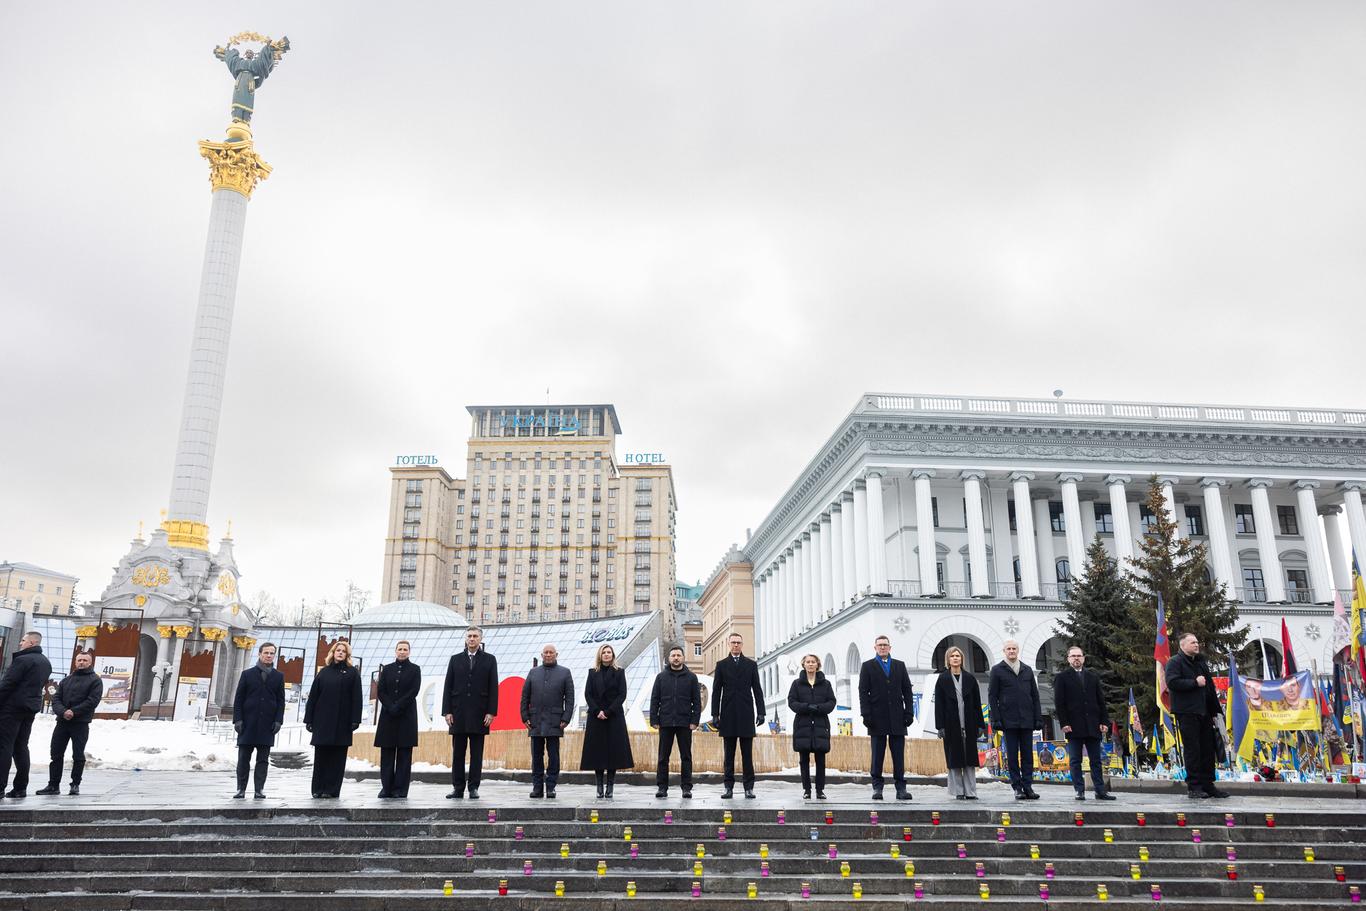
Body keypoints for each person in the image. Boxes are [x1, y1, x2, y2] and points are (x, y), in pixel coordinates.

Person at [1165, 632, 1229, 799]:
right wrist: (1194, 683)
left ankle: (1208, 784)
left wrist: (1215, 711)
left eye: (1197, 641)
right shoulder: (1175, 662)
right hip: (1187, 712)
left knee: (1208, 749)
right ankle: (1194, 786)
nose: (1196, 644)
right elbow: (1172, 682)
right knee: (1193, 750)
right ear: (1183, 645)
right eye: (1193, 642)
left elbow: (1209, 689)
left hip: (1205, 712)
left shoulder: (1200, 663)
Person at [34, 650, 102, 797]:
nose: (81, 662)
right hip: (62, 723)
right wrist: (63, 711)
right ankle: (53, 785)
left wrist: (74, 712)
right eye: (79, 660)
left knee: (78, 755)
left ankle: (75, 784)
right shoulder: (67, 680)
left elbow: (92, 701)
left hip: (80, 723)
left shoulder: (95, 680)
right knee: (56, 754)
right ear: (75, 662)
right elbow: (56, 699)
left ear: (90, 663)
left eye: (85, 660)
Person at [1052, 645, 1114, 801]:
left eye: (1079, 656)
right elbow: (1060, 703)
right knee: (1075, 761)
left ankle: (1100, 790)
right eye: (1073, 656)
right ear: (1068, 659)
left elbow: (1101, 701)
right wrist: (1064, 723)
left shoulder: (1092, 677)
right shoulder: (1062, 678)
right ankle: (1079, 790)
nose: (1076, 659)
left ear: (1083, 658)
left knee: (1096, 760)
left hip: (1093, 724)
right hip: (1073, 726)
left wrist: (1104, 721)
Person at [442, 626, 498, 799]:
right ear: (465, 639)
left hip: (480, 715)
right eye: (469, 636)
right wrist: (447, 711)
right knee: (457, 753)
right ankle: (458, 788)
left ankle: (473, 787)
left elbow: (493, 687)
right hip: (457, 714)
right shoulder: (455, 659)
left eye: (475, 636)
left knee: (476, 754)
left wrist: (491, 712)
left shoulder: (490, 660)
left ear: (480, 639)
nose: (472, 639)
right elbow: (448, 686)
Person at [858, 635, 916, 800]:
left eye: (885, 645)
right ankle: (877, 788)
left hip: (898, 717)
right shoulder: (868, 666)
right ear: (875, 648)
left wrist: (909, 712)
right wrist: (866, 714)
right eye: (879, 645)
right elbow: (863, 692)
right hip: (876, 717)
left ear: (890, 647)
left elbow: (907, 691)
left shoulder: (899, 665)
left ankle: (901, 788)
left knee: (898, 755)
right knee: (877, 755)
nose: (882, 648)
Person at [304, 640, 362, 799]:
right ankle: (318, 788)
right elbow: (313, 697)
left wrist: (355, 719)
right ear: (333, 653)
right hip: (322, 722)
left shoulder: (352, 673)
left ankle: (332, 789)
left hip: (342, 722)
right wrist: (309, 719)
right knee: (321, 756)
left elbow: (357, 698)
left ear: (347, 655)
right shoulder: (323, 672)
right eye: (338, 650)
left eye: (344, 651)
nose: (340, 653)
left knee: (337, 758)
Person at [711, 632, 765, 799]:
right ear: (729, 644)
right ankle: (728, 787)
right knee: (729, 755)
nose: (736, 645)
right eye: (733, 642)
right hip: (727, 714)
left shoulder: (750, 665)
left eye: (738, 643)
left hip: (746, 713)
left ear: (742, 645)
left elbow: (757, 689)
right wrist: (715, 714)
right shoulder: (721, 665)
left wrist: (761, 711)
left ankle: (749, 787)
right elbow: (716, 691)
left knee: (747, 754)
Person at [988, 639, 1043, 800]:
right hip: (1008, 720)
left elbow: (1035, 696)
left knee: (1027, 755)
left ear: (1017, 650)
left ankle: (1028, 786)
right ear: (1004, 651)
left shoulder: (1026, 670)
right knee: (1012, 756)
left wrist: (1038, 718)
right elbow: (992, 696)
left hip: (1027, 719)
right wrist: (996, 719)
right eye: (1008, 649)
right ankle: (1017, 787)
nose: (1011, 651)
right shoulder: (997, 670)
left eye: (1014, 648)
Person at [0, 631, 52, 799]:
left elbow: (8, 684)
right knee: (21, 746)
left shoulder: (22, 660)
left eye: (23, 640)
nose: (20, 643)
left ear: (31, 643)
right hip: (29, 708)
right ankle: (21, 787)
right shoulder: (45, 662)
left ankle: (0, 786)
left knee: (4, 746)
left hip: (12, 708)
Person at [230, 641, 285, 799]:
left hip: (267, 725)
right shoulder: (247, 674)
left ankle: (259, 789)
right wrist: (238, 720)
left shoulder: (278, 676)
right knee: (243, 759)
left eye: (272, 653)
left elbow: (281, 701)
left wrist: (278, 720)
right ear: (260, 654)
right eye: (266, 653)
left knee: (263, 760)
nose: (269, 656)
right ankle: (241, 788)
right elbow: (239, 699)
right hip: (247, 724)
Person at [520, 644, 574, 799]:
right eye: (546, 653)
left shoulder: (565, 672)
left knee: (554, 756)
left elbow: (569, 699)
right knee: (536, 756)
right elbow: (525, 697)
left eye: (551, 653)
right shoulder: (533, 672)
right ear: (542, 655)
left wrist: (566, 718)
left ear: (556, 654)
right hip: (535, 720)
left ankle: (551, 787)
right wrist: (525, 716)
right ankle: (537, 788)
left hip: (555, 721)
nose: (548, 655)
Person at [933, 645, 986, 800]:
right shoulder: (942, 679)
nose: (955, 658)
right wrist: (940, 726)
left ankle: (970, 791)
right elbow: (939, 705)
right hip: (950, 725)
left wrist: (980, 724)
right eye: (952, 656)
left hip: (969, 723)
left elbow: (977, 703)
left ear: (962, 659)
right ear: (948, 660)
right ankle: (958, 791)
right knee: (954, 758)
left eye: (958, 656)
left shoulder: (970, 679)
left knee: (969, 758)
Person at [581, 644, 634, 799]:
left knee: (613, 752)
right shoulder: (592, 673)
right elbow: (588, 694)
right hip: (596, 717)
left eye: (608, 652)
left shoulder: (619, 672)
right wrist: (597, 711)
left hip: (614, 716)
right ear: (600, 655)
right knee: (598, 752)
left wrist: (608, 711)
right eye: (603, 652)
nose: (606, 654)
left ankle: (610, 785)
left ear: (613, 655)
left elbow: (622, 694)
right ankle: (599, 785)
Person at [651, 645, 702, 798]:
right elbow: (655, 700)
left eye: (679, 655)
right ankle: (662, 787)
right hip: (665, 722)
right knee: (662, 757)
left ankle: (686, 788)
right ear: (669, 658)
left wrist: (695, 721)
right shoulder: (661, 677)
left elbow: (697, 702)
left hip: (684, 723)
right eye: (673, 655)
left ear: (683, 658)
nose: (676, 658)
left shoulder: (691, 677)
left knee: (686, 757)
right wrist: (654, 719)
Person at [375, 640, 421, 798]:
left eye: (405, 649)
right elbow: (381, 691)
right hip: (388, 716)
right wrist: (390, 706)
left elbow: (414, 690)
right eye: (400, 649)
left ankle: (400, 789)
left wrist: (398, 706)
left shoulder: (415, 669)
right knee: (387, 753)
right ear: (395, 651)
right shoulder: (387, 669)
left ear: (409, 652)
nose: (402, 652)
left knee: (404, 754)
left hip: (406, 717)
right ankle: (386, 788)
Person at [787, 654, 835, 800]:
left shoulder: (825, 684)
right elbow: (792, 702)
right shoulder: (796, 684)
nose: (810, 664)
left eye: (813, 662)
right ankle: (806, 789)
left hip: (820, 726)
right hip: (803, 726)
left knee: (821, 760)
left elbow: (831, 702)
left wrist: (819, 708)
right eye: (808, 662)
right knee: (804, 760)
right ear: (804, 664)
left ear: (817, 664)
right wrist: (807, 707)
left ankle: (820, 790)